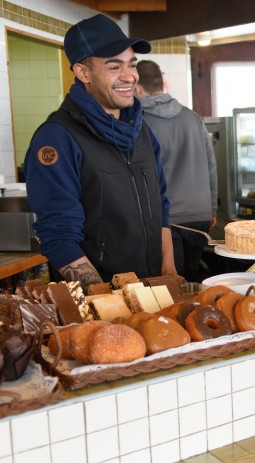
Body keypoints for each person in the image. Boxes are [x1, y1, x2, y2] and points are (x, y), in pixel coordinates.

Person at [23, 14, 177, 289]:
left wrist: (168, 274)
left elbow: (161, 206)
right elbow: (58, 235)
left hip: (154, 289)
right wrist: (104, 298)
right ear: (83, 73)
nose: (129, 75)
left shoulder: (141, 131)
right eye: (114, 66)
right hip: (101, 300)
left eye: (132, 64)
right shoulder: (57, 137)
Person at [135, 60, 217, 283]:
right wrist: (211, 208)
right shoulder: (193, 118)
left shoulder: (140, 122)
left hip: (166, 220)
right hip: (199, 214)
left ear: (138, 88)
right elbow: (211, 164)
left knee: (172, 282)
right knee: (192, 276)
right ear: (163, 84)